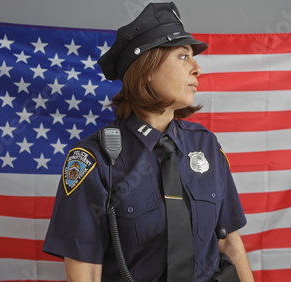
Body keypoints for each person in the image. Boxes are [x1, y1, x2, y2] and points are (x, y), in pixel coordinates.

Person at [43, 2, 255, 281]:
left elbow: (228, 241)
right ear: (147, 69)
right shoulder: (93, 159)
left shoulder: (206, 146)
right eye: (183, 56)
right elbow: (86, 271)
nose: (197, 68)